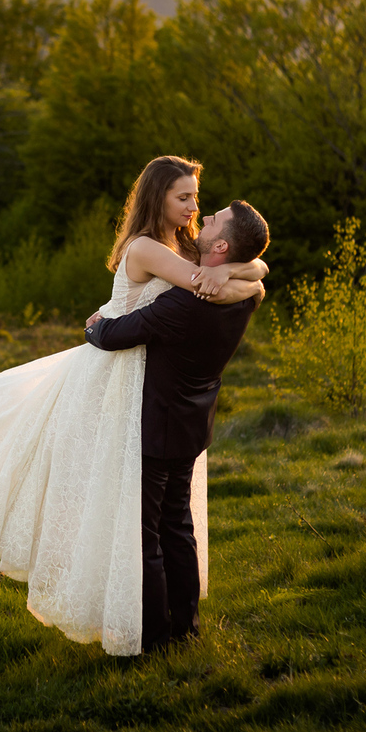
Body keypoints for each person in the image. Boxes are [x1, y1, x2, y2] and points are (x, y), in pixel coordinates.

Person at [0, 156, 267, 656]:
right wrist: (250, 271)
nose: (194, 207)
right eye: (184, 197)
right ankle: (176, 631)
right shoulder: (150, 249)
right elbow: (213, 276)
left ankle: (161, 637)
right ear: (157, 197)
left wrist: (249, 269)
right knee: (156, 519)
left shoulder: (184, 252)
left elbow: (217, 275)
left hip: (144, 393)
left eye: (198, 200)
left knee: (151, 526)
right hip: (122, 388)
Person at [85, 198, 270, 652]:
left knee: (147, 535)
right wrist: (232, 271)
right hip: (193, 423)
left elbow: (112, 335)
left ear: (221, 245)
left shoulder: (182, 306)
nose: (202, 216)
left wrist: (92, 326)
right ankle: (186, 629)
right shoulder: (244, 296)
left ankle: (156, 639)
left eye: (213, 221)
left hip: (155, 425)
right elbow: (257, 269)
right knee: (178, 527)